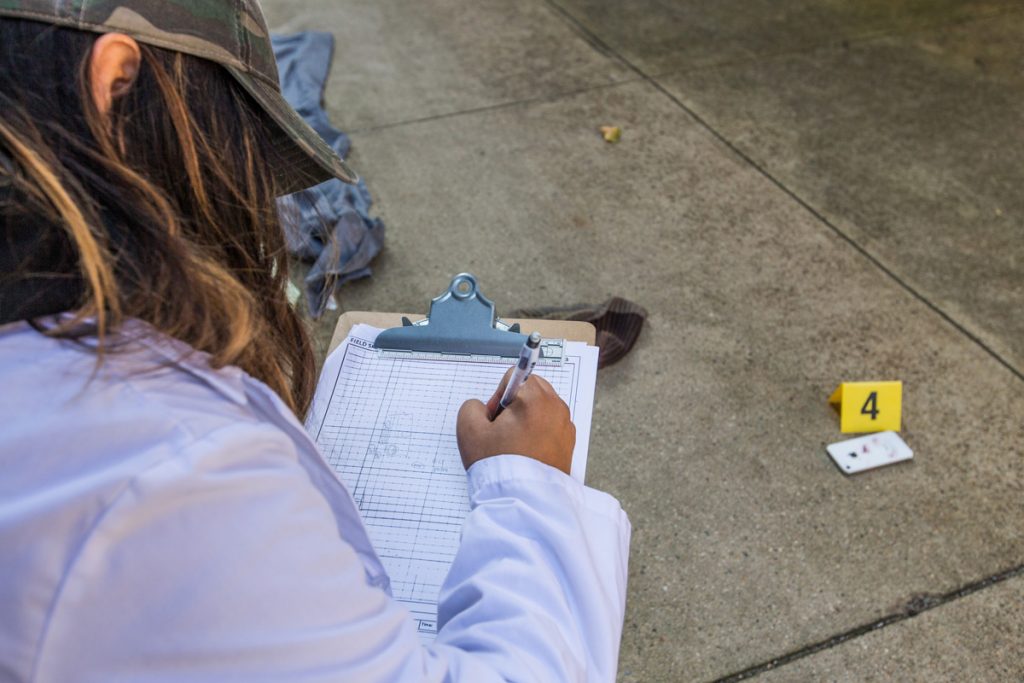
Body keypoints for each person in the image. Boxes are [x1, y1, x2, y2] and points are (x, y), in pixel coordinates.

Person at [0, 2, 631, 682]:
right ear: (115, 85)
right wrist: (529, 490)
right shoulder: (173, 474)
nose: (241, 193)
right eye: (227, 140)